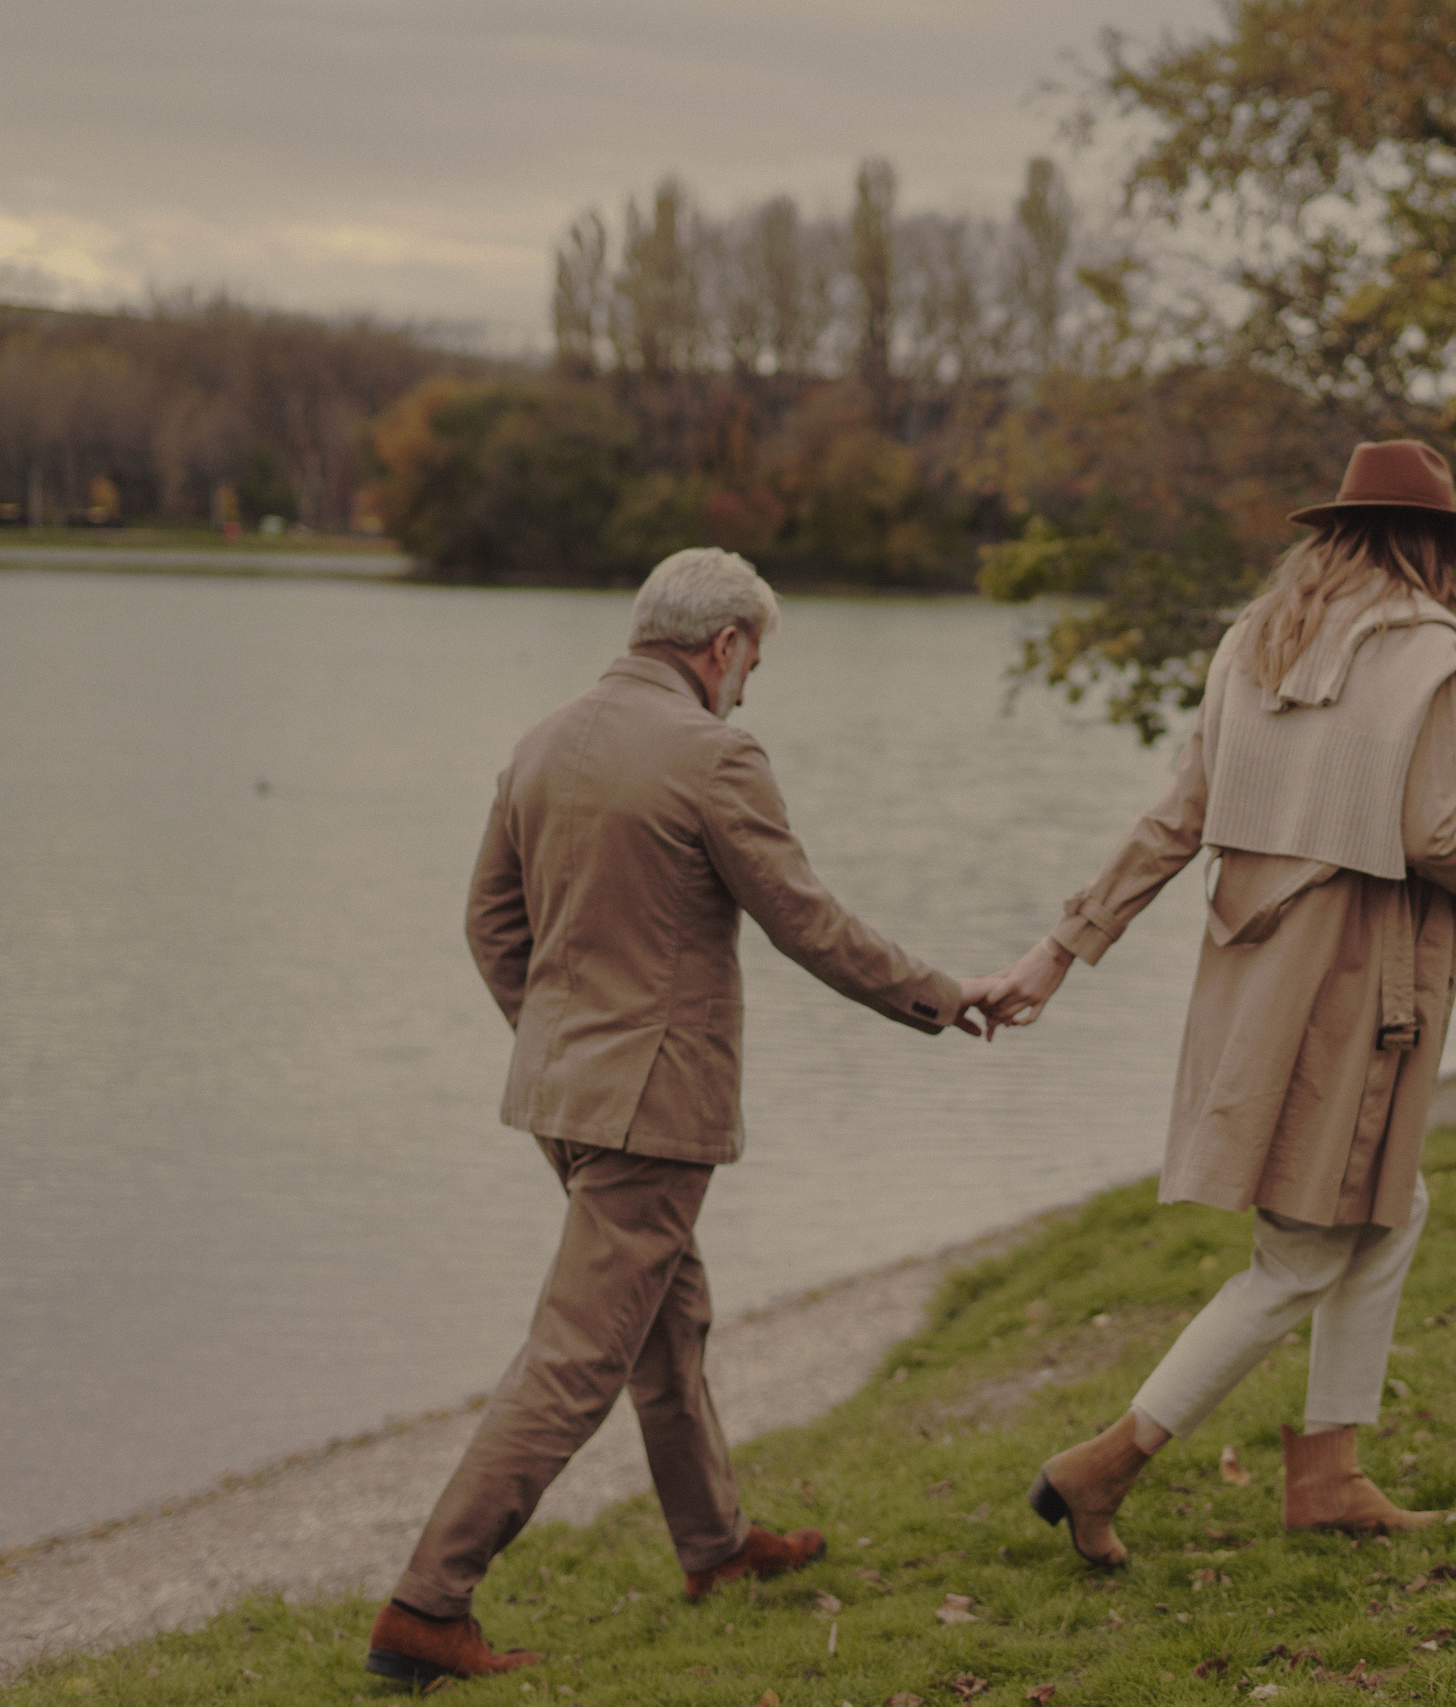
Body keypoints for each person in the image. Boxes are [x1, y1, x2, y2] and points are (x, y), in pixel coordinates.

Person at [365, 549, 998, 1689]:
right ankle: (428, 1602)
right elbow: (805, 919)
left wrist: (557, 1038)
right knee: (575, 1360)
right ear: (722, 648)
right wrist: (939, 995)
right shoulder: (714, 753)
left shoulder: (544, 740)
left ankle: (713, 1549)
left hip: (564, 1095)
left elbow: (488, 927)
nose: (751, 683)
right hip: (652, 1107)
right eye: (752, 660)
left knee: (671, 1321)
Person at [986, 440, 1456, 1567]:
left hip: (1252, 967)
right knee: (1303, 1252)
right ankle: (1105, 1464)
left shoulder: (1254, 642)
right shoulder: (1430, 652)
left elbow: (1179, 817)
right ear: (1428, 544)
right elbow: (1432, 832)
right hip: (1356, 974)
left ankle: (1330, 1471)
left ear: (1332, 533)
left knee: (1389, 1202)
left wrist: (1059, 950)